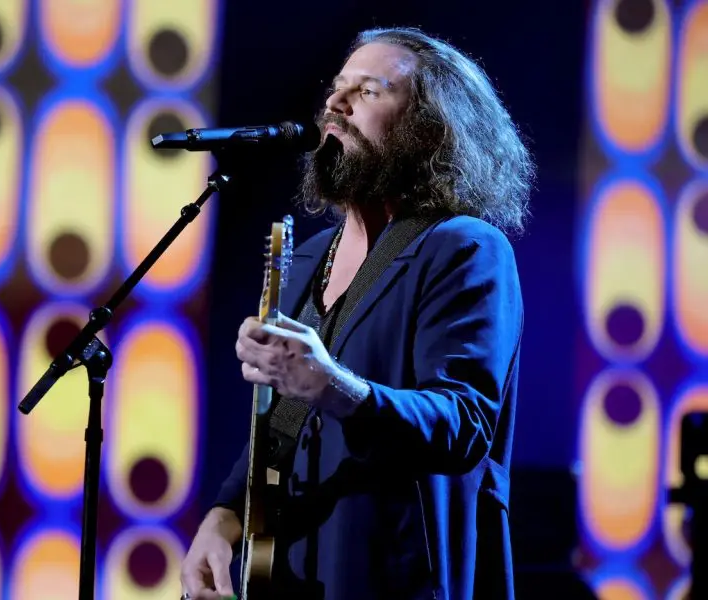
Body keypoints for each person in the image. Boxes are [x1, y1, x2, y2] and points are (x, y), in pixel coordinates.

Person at [180, 27, 535, 600]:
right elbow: (278, 425)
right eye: (337, 88)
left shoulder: (464, 247)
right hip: (293, 572)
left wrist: (333, 384)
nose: (335, 104)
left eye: (369, 91)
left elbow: (464, 422)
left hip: (397, 569)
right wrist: (223, 517)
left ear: (429, 129)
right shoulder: (307, 258)